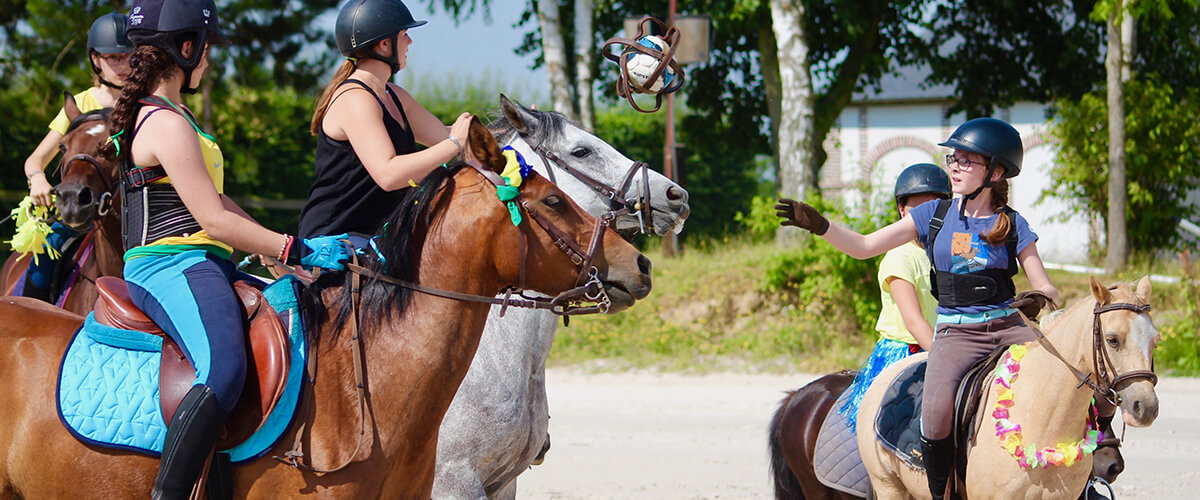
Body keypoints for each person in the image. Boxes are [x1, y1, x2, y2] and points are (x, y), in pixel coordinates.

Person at [99, 1, 347, 497]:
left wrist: (275, 251)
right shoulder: (166, 123)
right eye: (207, 50)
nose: (210, 61)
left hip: (204, 261)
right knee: (225, 367)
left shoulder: (177, 116)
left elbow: (215, 202)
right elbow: (210, 220)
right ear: (186, 48)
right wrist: (294, 249)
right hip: (168, 264)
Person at [776, 117, 1059, 500]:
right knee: (936, 413)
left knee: (1070, 377)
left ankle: (1090, 478)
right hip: (959, 334)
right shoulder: (934, 216)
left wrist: (1039, 297)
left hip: (1009, 327)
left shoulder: (1013, 224)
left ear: (995, 171)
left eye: (965, 161)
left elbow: (1044, 283)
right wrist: (821, 225)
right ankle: (943, 491)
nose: (954, 167)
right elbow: (863, 246)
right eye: (952, 159)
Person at [298, 0, 472, 251]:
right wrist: (455, 145)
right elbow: (389, 175)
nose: (410, 42)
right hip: (335, 243)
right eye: (405, 35)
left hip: (376, 240)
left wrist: (514, 129)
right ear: (384, 44)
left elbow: (445, 136)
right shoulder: (355, 99)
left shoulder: (394, 95)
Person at [18, 11, 131, 302]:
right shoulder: (82, 103)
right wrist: (38, 179)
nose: (122, 65)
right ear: (96, 59)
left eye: (128, 56)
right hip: (80, 210)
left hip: (132, 214)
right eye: (112, 58)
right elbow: (36, 159)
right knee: (45, 257)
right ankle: (28, 320)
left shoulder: (143, 105)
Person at [837, 163, 951, 431]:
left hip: (943, 346)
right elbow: (914, 321)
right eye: (917, 210)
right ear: (902, 210)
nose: (928, 218)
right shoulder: (900, 255)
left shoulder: (945, 253)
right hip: (908, 351)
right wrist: (944, 358)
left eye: (935, 209)